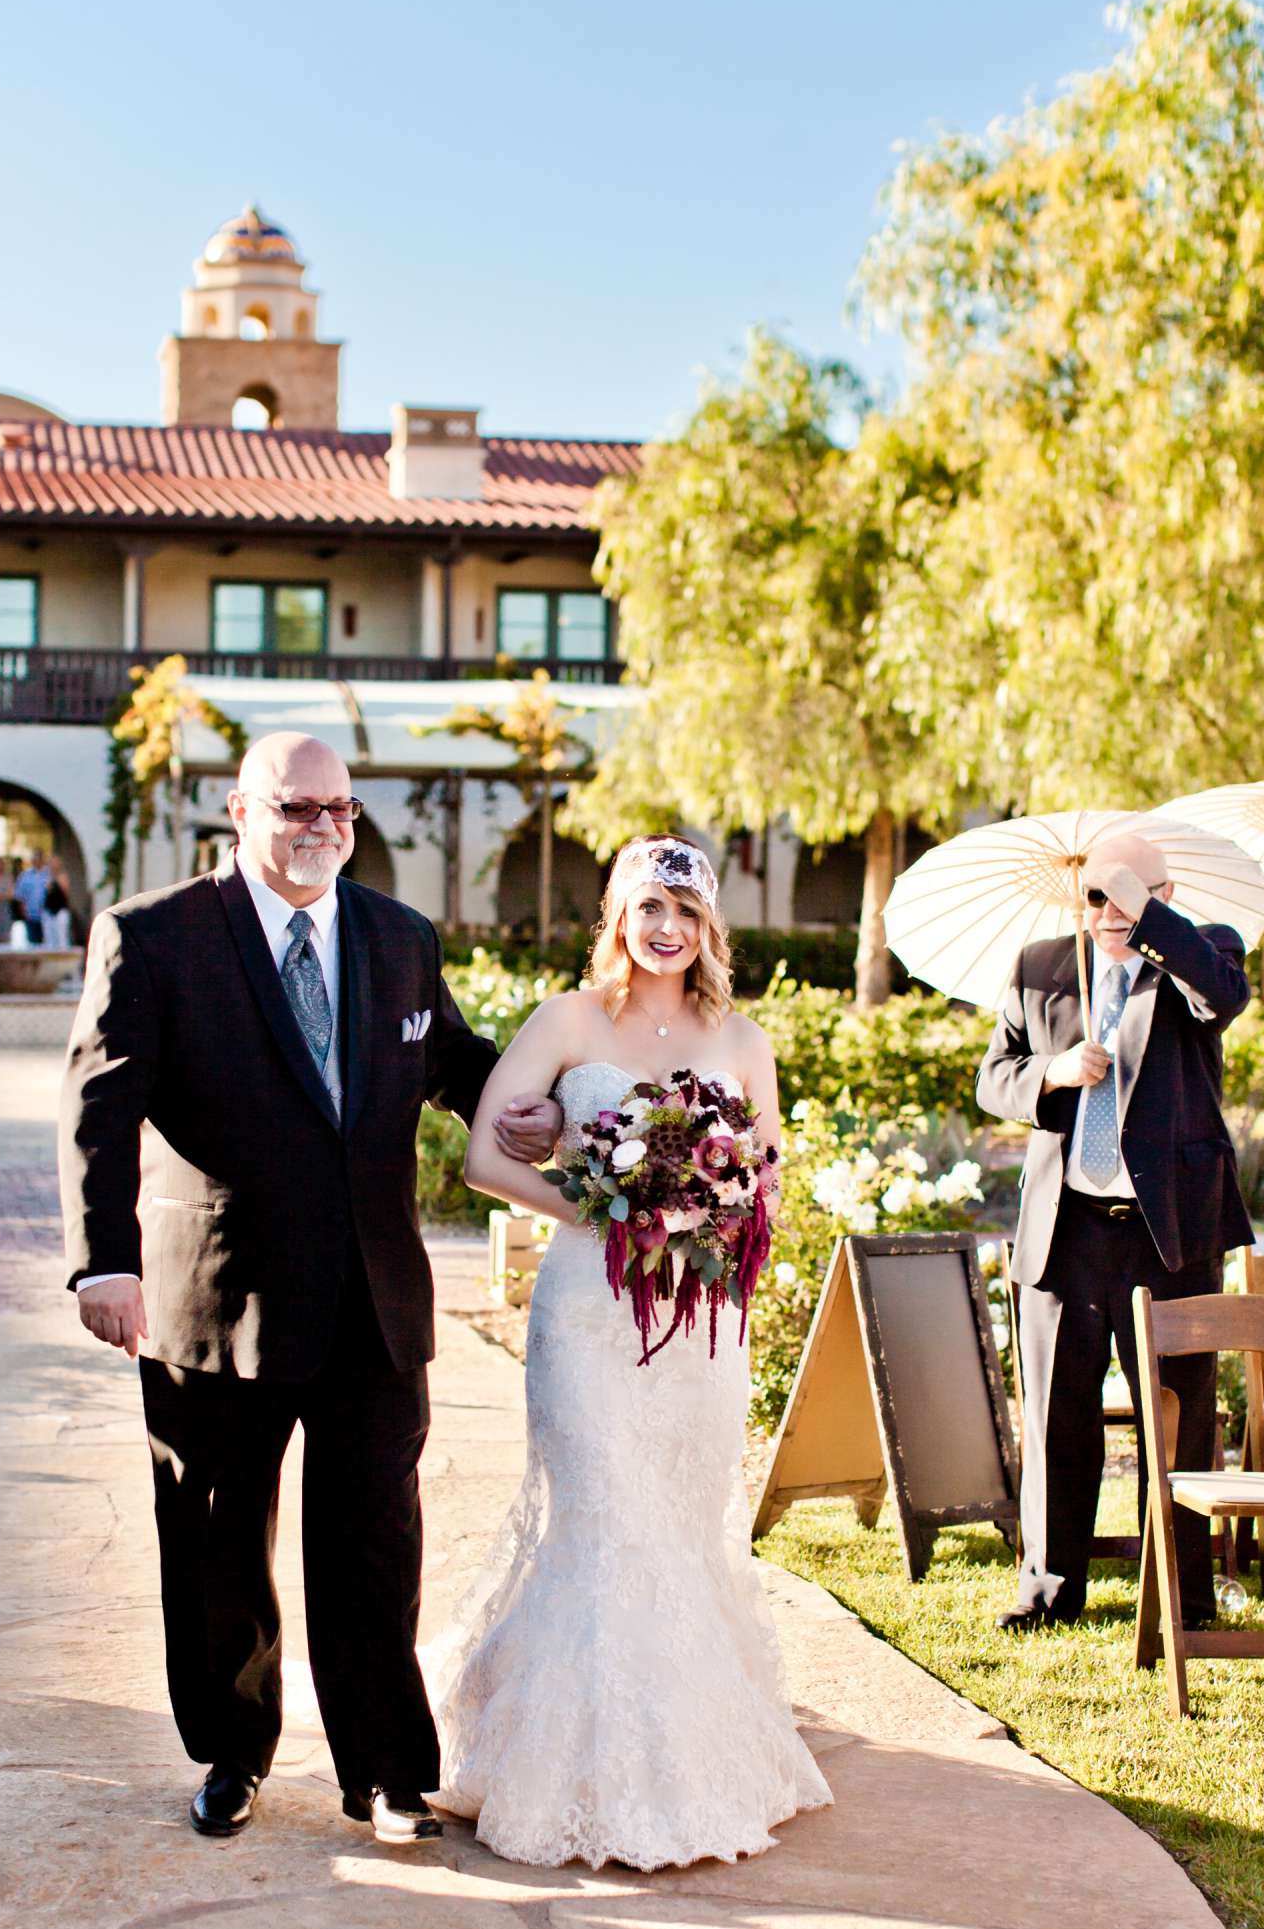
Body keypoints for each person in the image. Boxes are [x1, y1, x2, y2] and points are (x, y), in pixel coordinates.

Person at [59, 731, 560, 1845]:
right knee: (216, 1545)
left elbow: (453, 1063)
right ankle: (232, 1756)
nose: (323, 827)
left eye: (339, 808)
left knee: (376, 1543)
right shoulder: (154, 938)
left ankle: (384, 1771)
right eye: (296, 808)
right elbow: (99, 1108)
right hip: (214, 1302)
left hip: (374, 1303)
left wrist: (537, 1104)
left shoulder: (397, 938)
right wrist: (104, 1261)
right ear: (239, 810)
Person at [425, 835, 832, 1869]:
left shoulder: (740, 1038)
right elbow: (480, 1155)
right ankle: (573, 1773)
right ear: (618, 915)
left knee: (683, 1525)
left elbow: (766, 1179)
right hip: (590, 1313)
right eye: (648, 909)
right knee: (602, 1518)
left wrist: (712, 1211)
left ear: (707, 929)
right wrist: (612, 1207)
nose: (665, 930)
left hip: (699, 1325)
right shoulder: (569, 1020)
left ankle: (695, 1758)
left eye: (684, 914)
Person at [977, 831, 1253, 1632]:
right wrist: (1051, 1075)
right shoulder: (1041, 966)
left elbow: (1222, 997)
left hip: (1169, 1232)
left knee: (1180, 1413)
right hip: (1068, 1231)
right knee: (1060, 1414)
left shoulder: (1201, 953)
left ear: (1162, 895)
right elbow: (995, 1076)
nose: (1109, 912)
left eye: (1128, 894)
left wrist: (1151, 920)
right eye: (1096, 894)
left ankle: (1182, 1598)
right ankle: (1050, 1590)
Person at [13, 851, 50, 942]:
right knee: (33, 942)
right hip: (30, 915)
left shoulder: (50, 874)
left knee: (48, 943)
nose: (37, 861)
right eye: (35, 859)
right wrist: (23, 912)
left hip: (48, 916)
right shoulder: (24, 876)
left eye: (39, 859)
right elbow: (20, 896)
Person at [42, 855, 72, 949]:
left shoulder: (63, 877)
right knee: (49, 939)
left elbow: (66, 893)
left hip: (60, 910)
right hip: (48, 911)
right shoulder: (46, 877)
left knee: (62, 937)